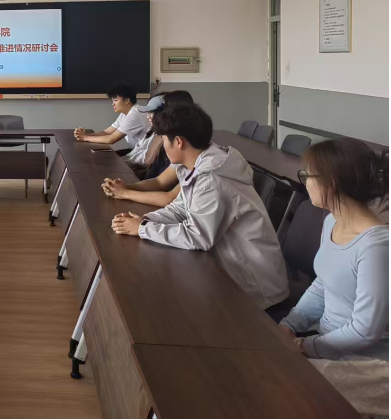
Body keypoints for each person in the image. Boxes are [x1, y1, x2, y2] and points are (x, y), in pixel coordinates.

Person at [111, 103, 288, 310]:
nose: (163, 146)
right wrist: (147, 220)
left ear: (178, 142)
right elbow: (179, 208)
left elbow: (197, 236)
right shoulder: (197, 164)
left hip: (257, 291)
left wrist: (143, 229)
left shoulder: (211, 179)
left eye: (164, 140)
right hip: (229, 273)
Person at [277, 139, 388, 416]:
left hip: (368, 364)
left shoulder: (377, 246)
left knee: (281, 391)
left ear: (331, 182)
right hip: (329, 344)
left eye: (308, 176)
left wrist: (306, 346)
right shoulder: (331, 222)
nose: (304, 183)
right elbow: (323, 283)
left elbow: (365, 331)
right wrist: (290, 324)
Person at [122, 90, 194, 176]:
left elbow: (159, 179)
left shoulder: (171, 138)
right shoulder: (155, 131)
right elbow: (159, 180)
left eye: (152, 112)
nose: (148, 116)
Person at [74, 83, 148, 154]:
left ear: (126, 100)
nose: (113, 104)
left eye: (115, 100)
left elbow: (111, 139)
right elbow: (106, 132)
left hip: (146, 155)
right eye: (112, 100)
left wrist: (85, 138)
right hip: (139, 151)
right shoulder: (124, 114)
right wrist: (85, 134)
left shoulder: (134, 114)